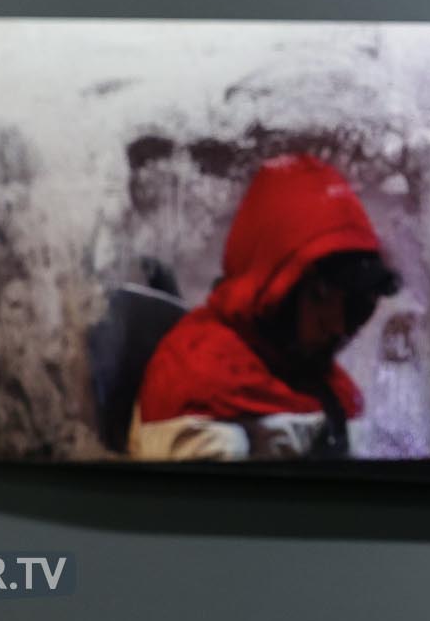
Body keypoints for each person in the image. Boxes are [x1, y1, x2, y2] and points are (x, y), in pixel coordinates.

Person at [130, 154, 400, 461]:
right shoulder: (198, 379)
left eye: (351, 302)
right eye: (319, 295)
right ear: (275, 283)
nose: (337, 325)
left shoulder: (314, 376)